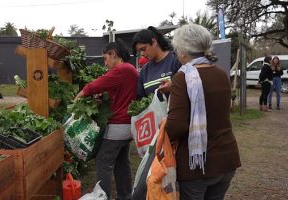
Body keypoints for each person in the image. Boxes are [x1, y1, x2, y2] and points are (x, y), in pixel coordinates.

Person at [166, 23, 241, 200]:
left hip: (198, 166)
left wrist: (160, 133)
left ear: (183, 51)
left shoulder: (183, 77)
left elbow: (177, 125)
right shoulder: (221, 73)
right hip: (226, 159)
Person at [74, 40, 138, 200]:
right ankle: (125, 196)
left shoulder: (122, 69)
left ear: (113, 54)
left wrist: (82, 94)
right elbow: (119, 94)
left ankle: (102, 197)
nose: (105, 63)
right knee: (122, 162)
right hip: (126, 126)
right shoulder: (128, 70)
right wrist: (103, 97)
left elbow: (98, 83)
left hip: (117, 126)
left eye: (105, 58)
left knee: (104, 162)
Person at [131, 26, 181, 200]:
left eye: (144, 49)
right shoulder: (145, 71)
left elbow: (189, 85)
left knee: (173, 174)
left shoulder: (175, 61)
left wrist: (173, 85)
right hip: (155, 133)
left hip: (176, 129)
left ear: (154, 42)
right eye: (139, 52)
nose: (142, 54)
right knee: (153, 175)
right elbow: (140, 100)